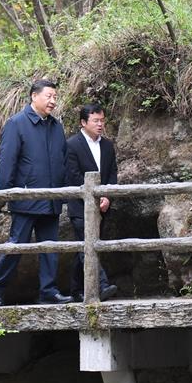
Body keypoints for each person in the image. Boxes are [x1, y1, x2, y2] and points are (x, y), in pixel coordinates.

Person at [0, 79, 72, 306]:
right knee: (17, 245)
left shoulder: (56, 126)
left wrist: (62, 192)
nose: (53, 101)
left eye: (55, 97)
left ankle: (49, 291)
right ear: (34, 96)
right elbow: (7, 161)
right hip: (25, 199)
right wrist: (5, 194)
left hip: (52, 198)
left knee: (50, 248)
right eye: (49, 96)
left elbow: (62, 161)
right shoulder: (16, 123)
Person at [66, 104, 119, 302]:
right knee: (89, 245)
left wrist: (107, 195)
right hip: (79, 206)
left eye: (102, 120)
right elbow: (72, 176)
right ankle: (102, 285)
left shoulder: (107, 145)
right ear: (83, 122)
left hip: (102, 206)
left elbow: (112, 172)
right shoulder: (72, 144)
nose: (100, 124)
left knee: (84, 247)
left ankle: (75, 290)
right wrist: (93, 198)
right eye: (96, 121)